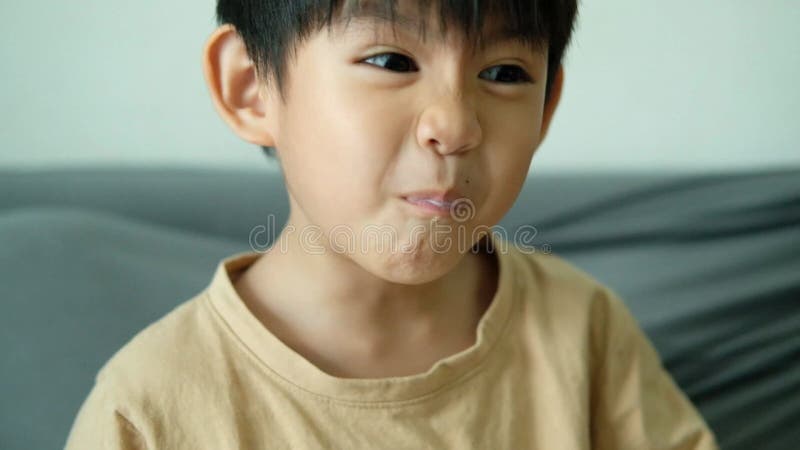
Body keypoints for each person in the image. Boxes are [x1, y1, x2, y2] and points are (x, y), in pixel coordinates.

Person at [65, 1, 720, 448]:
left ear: (547, 109)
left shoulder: (585, 330)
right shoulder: (148, 411)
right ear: (251, 88)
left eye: (503, 73)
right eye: (390, 62)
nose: (457, 125)